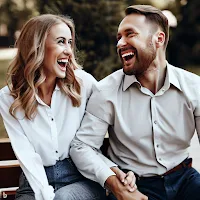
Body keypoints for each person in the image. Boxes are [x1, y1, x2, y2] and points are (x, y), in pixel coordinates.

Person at [70, 4, 200, 200]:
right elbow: (82, 146)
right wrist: (114, 184)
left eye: (130, 34)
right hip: (134, 185)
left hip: (186, 181)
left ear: (159, 39)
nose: (120, 43)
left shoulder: (194, 87)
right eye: (118, 37)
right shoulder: (106, 91)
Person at [0, 14, 112, 200]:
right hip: (34, 180)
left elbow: (112, 110)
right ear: (36, 47)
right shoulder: (8, 97)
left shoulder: (83, 83)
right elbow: (26, 155)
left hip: (81, 178)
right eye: (61, 42)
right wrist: (45, 195)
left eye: (70, 42)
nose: (69, 51)